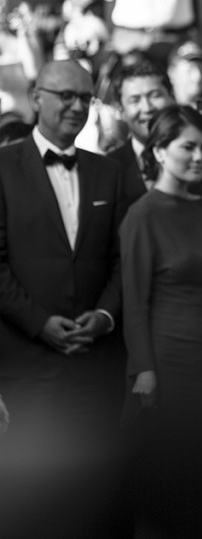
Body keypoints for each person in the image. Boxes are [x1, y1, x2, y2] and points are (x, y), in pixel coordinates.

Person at [0, 60, 125, 438]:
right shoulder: (3, 167)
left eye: (85, 98)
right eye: (66, 95)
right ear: (36, 98)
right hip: (27, 362)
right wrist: (40, 323)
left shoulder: (109, 172)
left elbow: (122, 259)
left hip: (97, 363)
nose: (77, 106)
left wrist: (104, 315)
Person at [120, 106, 202, 417]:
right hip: (164, 357)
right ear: (159, 151)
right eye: (188, 146)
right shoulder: (142, 215)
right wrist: (144, 369)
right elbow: (134, 302)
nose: (199, 157)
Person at [106, 57, 175, 205]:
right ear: (120, 110)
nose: (147, 108)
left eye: (155, 96)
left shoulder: (197, 155)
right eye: (135, 100)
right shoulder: (109, 168)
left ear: (172, 98)